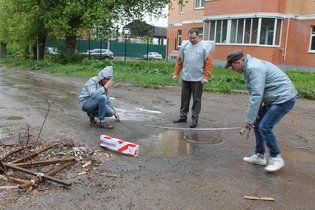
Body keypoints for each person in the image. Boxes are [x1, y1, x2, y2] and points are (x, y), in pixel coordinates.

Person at [225, 50, 297, 172]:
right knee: (258, 125)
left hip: (283, 98)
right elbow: (258, 93)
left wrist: (249, 119)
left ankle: (276, 158)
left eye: (232, 66)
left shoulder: (254, 68)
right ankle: (260, 156)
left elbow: (257, 95)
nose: (232, 69)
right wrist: (254, 117)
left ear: (238, 62)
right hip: (274, 98)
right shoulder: (249, 67)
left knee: (264, 127)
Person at [172, 29, 214, 128]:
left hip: (198, 79)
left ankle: (194, 119)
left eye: (194, 38)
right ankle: (183, 117)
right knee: (184, 98)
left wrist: (206, 77)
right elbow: (180, 61)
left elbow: (209, 63)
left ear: (198, 36)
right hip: (186, 77)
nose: (192, 40)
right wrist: (176, 73)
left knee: (196, 100)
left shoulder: (205, 46)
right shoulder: (184, 46)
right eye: (190, 38)